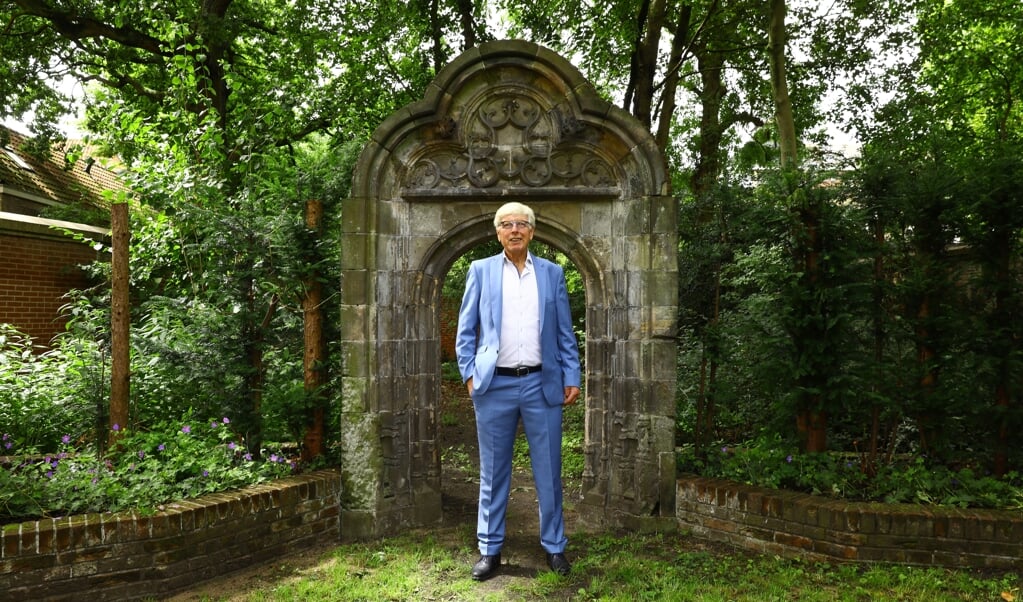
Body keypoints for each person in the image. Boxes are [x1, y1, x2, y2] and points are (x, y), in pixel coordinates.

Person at [455, 201, 582, 581]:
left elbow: (563, 331)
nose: (514, 229)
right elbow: (466, 331)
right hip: (495, 386)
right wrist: (469, 376)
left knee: (549, 470)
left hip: (543, 383)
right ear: (498, 233)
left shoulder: (552, 273)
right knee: (493, 472)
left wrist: (571, 374)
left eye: (521, 224)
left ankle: (555, 547)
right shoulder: (480, 271)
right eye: (507, 224)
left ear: (532, 231)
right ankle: (490, 550)